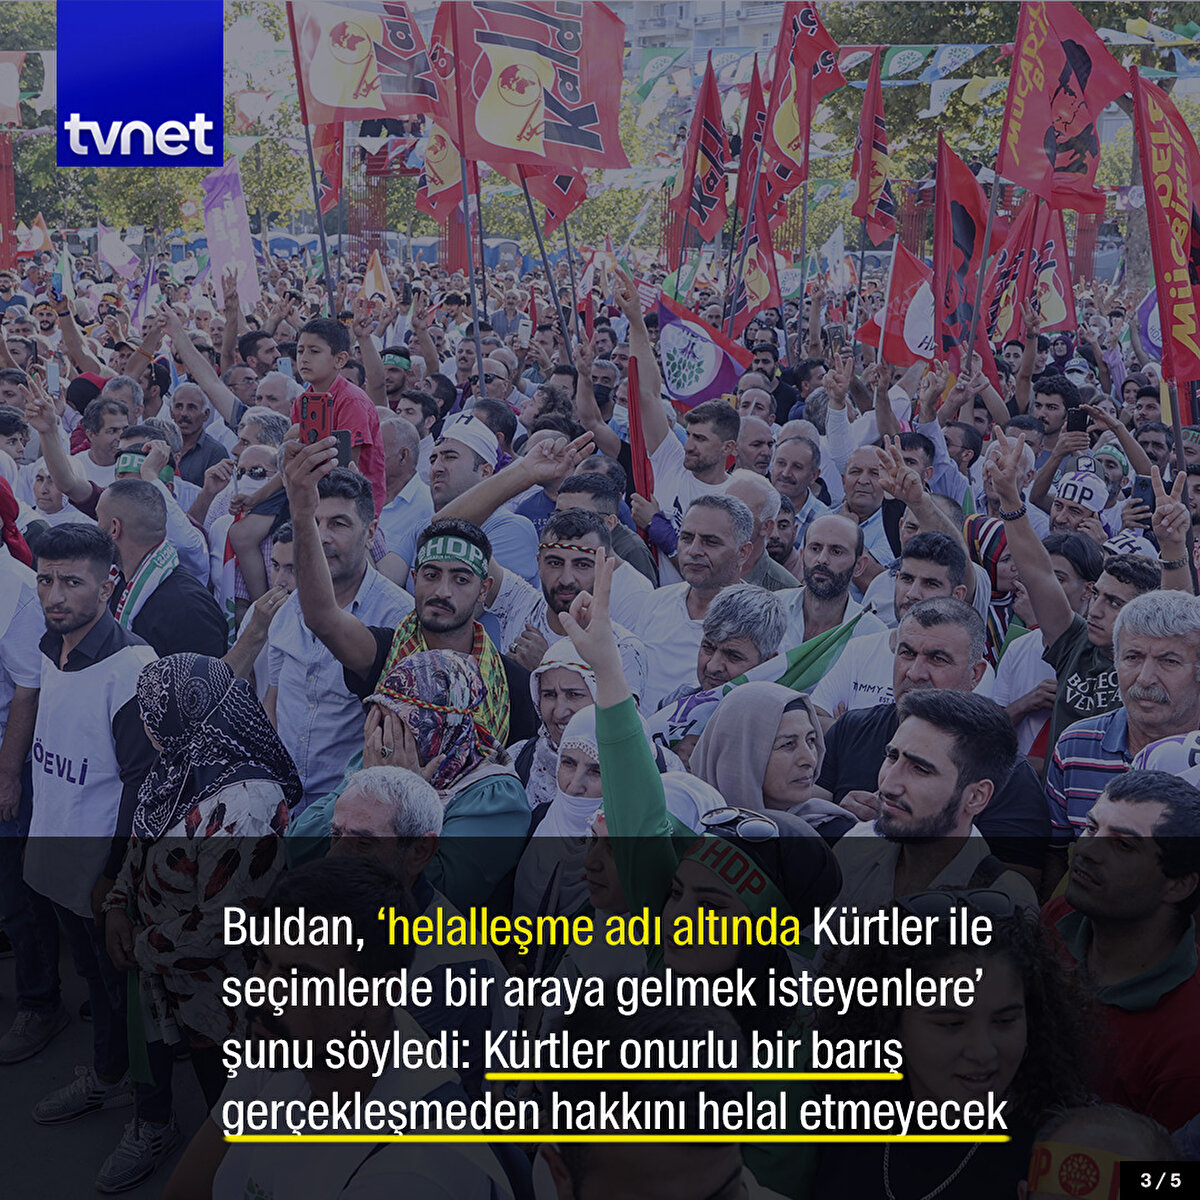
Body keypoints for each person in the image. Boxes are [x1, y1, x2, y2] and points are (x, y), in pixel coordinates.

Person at [166, 858, 522, 1200]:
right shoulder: (286, 1042)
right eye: (263, 960)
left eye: (299, 977)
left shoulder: (413, 1173)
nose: (262, 993)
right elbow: (184, 1191)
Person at [96, 654, 298, 1192]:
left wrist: (138, 946)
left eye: (152, 710)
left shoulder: (248, 803)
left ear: (185, 714)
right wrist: (117, 904)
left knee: (235, 1120)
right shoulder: (177, 765)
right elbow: (139, 850)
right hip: (172, 982)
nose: (144, 721)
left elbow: (223, 924)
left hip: (227, 1004)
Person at [23, 525, 158, 1166]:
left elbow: (141, 784)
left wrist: (115, 879)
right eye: (45, 580)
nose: (55, 595)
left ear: (108, 586)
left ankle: (152, 1117)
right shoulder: (50, 644)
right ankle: (108, 1077)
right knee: (97, 989)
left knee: (129, 999)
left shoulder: (131, 667)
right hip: (55, 857)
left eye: (72, 582)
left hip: (102, 873)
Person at [815, 896, 1093, 1199]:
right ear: (890, 1021)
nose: (983, 1052)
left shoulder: (1079, 1147)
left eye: (1005, 1021)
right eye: (951, 1024)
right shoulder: (847, 1110)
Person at [814, 598, 1050, 883]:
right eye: (907, 653)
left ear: (975, 674)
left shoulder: (1008, 771)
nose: (915, 672)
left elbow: (1019, 881)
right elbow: (809, 818)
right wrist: (841, 818)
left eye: (937, 659)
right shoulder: (852, 728)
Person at [325, 765, 513, 1096]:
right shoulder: (344, 913)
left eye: (364, 843)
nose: (333, 856)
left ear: (419, 852)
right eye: (336, 835)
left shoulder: (451, 972)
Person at [987, 427, 1176, 753]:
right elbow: (1038, 574)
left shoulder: (1158, 668)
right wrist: (1010, 499)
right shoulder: (1075, 644)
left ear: (1144, 614)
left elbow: (1177, 609)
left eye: (1114, 602)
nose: (1096, 609)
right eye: (1098, 594)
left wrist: (1173, 548)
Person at [1042, 770, 1200, 1130]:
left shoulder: (1188, 1040)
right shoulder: (1058, 918)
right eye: (1091, 828)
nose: (1086, 851)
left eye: (1124, 845)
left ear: (1178, 885)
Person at [268, 466, 413, 805]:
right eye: (314, 522)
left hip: (347, 806)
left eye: (338, 524)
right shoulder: (288, 608)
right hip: (280, 798)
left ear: (371, 533)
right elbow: (273, 704)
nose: (322, 537)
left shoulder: (399, 618)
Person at [1046, 590, 1200, 844]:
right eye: (1133, 658)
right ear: (1115, 662)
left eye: (1169, 661)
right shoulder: (1076, 745)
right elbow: (1057, 853)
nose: (1145, 678)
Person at [0, 543, 65, 1064]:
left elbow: (29, 690)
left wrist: (7, 776)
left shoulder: (17, 591)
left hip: (9, 758)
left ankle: (40, 1003)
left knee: (17, 894)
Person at [811, 532, 985, 717]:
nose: (912, 593)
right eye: (907, 579)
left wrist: (850, 727)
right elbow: (815, 718)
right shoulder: (857, 649)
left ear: (957, 595)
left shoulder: (969, 667)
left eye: (930, 584)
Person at [633, 494, 757, 711]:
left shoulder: (758, 622)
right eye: (687, 538)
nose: (694, 551)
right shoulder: (657, 601)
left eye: (711, 542)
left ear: (743, 553)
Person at [691, 683, 853, 838]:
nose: (809, 759)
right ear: (739, 755)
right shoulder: (687, 822)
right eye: (788, 744)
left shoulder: (837, 835)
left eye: (811, 740)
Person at [94, 478, 227, 658]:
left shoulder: (188, 608)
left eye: (98, 519)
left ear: (114, 528)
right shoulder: (116, 582)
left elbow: (207, 674)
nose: (96, 528)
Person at [286, 316, 386, 517]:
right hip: (315, 494)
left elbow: (347, 470)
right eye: (300, 350)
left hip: (354, 504)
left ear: (340, 359)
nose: (304, 358)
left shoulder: (352, 401)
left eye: (314, 351)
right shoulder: (302, 401)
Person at [777, 512, 889, 648]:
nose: (822, 559)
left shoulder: (873, 635)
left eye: (836, 552)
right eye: (815, 548)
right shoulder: (772, 609)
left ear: (859, 566)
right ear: (802, 556)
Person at [376, 414, 434, 568]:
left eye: (378, 452)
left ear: (403, 456)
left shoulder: (426, 507)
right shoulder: (363, 494)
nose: (369, 458)